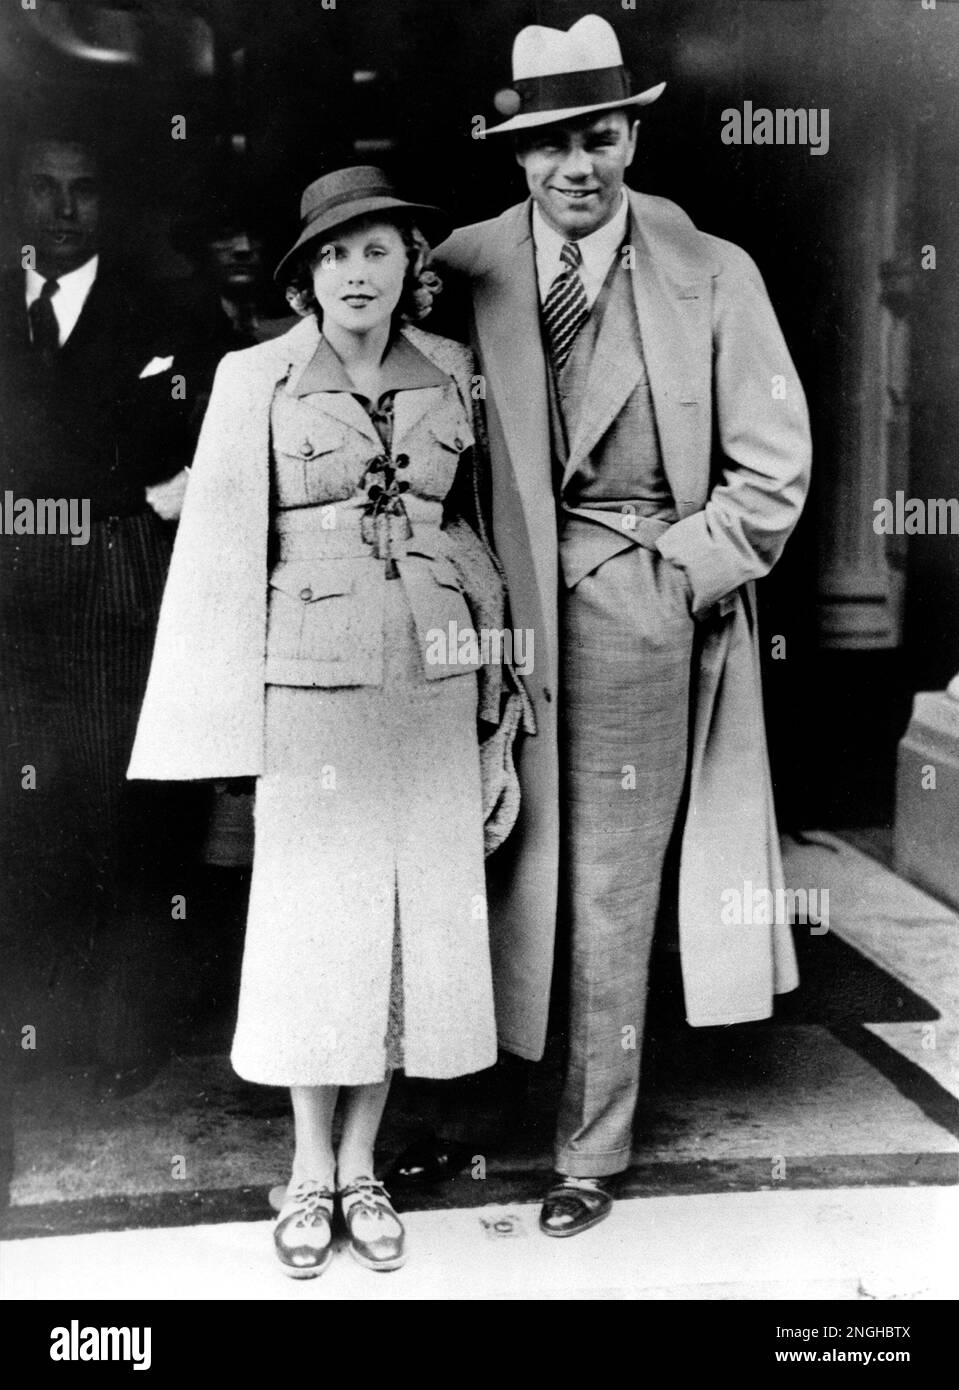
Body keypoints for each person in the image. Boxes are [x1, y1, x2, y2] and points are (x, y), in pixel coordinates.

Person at [432, 14, 812, 1235]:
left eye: (598, 137)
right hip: (487, 616)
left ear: (634, 132)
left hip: (636, 614)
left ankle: (587, 1148)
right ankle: (453, 1112)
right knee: (473, 859)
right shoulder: (462, 264)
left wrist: (675, 578)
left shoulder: (715, 270)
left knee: (606, 887)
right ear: (514, 155)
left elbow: (773, 473)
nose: (575, 169)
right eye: (548, 148)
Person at [128, 166, 530, 1276]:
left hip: (437, 683)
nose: (361, 272)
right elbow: (216, 561)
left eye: (382, 250)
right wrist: (222, 744)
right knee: (317, 922)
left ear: (413, 267)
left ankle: (364, 1161)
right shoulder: (255, 375)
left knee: (409, 916)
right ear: (306, 275)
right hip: (308, 689)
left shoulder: (458, 370)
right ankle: (307, 1165)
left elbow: (491, 546)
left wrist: (501, 720)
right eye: (337, 254)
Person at [0, 130, 198, 1096]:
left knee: (126, 800)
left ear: (107, 205)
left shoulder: (166, 311)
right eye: (45, 188)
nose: (64, 209)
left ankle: (128, 1031)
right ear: (20, 198)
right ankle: (40, 1021)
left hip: (116, 574)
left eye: (83, 190)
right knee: (29, 803)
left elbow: (199, 444)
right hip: (11, 585)